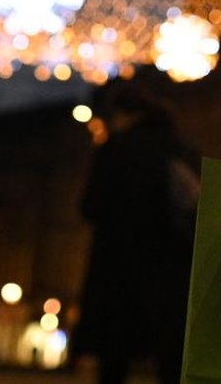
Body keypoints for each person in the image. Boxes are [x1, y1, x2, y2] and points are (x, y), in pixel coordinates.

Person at [74, 80, 199, 384]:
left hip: (118, 269)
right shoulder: (180, 150)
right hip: (169, 272)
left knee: (114, 357)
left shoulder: (115, 150)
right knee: (168, 358)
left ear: (122, 113)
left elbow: (89, 206)